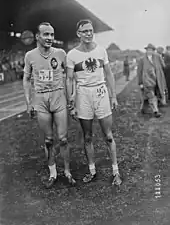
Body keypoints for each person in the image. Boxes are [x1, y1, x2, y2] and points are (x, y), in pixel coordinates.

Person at [66, 19, 122, 186]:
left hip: (100, 93)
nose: (88, 34)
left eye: (90, 31)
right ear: (78, 34)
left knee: (108, 136)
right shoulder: (72, 55)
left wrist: (113, 96)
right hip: (83, 96)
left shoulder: (101, 51)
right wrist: (72, 102)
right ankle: (92, 171)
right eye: (85, 31)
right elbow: (69, 79)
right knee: (88, 136)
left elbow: (109, 74)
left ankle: (115, 171)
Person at [23, 22, 76, 189]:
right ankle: (52, 173)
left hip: (58, 97)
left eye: (52, 35)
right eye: (46, 34)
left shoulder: (60, 53)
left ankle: (67, 172)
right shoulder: (30, 55)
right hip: (41, 100)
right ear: (37, 37)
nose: (50, 38)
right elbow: (25, 79)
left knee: (63, 139)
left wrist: (71, 97)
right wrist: (28, 102)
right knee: (48, 140)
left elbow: (69, 77)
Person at [137, 43, 167, 117]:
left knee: (150, 96)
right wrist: (140, 83)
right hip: (147, 81)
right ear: (146, 50)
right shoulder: (142, 59)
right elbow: (139, 72)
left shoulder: (158, 57)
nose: (149, 51)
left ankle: (143, 109)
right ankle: (155, 111)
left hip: (157, 80)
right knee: (151, 95)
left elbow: (164, 66)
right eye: (148, 50)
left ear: (154, 50)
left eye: (151, 50)